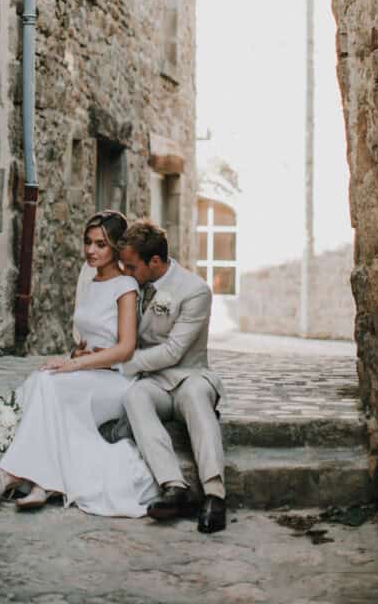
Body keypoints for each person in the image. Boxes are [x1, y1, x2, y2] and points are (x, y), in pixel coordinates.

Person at [0, 210, 160, 515]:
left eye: (100, 244)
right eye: (88, 242)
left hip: (115, 380)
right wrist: (74, 357)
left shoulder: (126, 286)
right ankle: (44, 484)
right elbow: (86, 340)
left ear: (115, 248)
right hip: (89, 372)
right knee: (42, 380)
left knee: (45, 383)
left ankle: (7, 475)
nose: (90, 250)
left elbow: (125, 348)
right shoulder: (89, 280)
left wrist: (74, 366)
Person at [102, 218, 226, 534]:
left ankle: (214, 494)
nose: (126, 273)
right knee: (135, 396)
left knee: (196, 397)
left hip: (189, 376)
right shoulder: (132, 286)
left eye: (131, 267)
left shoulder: (195, 291)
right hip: (154, 383)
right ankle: (174, 486)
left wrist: (121, 363)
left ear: (154, 262)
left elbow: (172, 352)